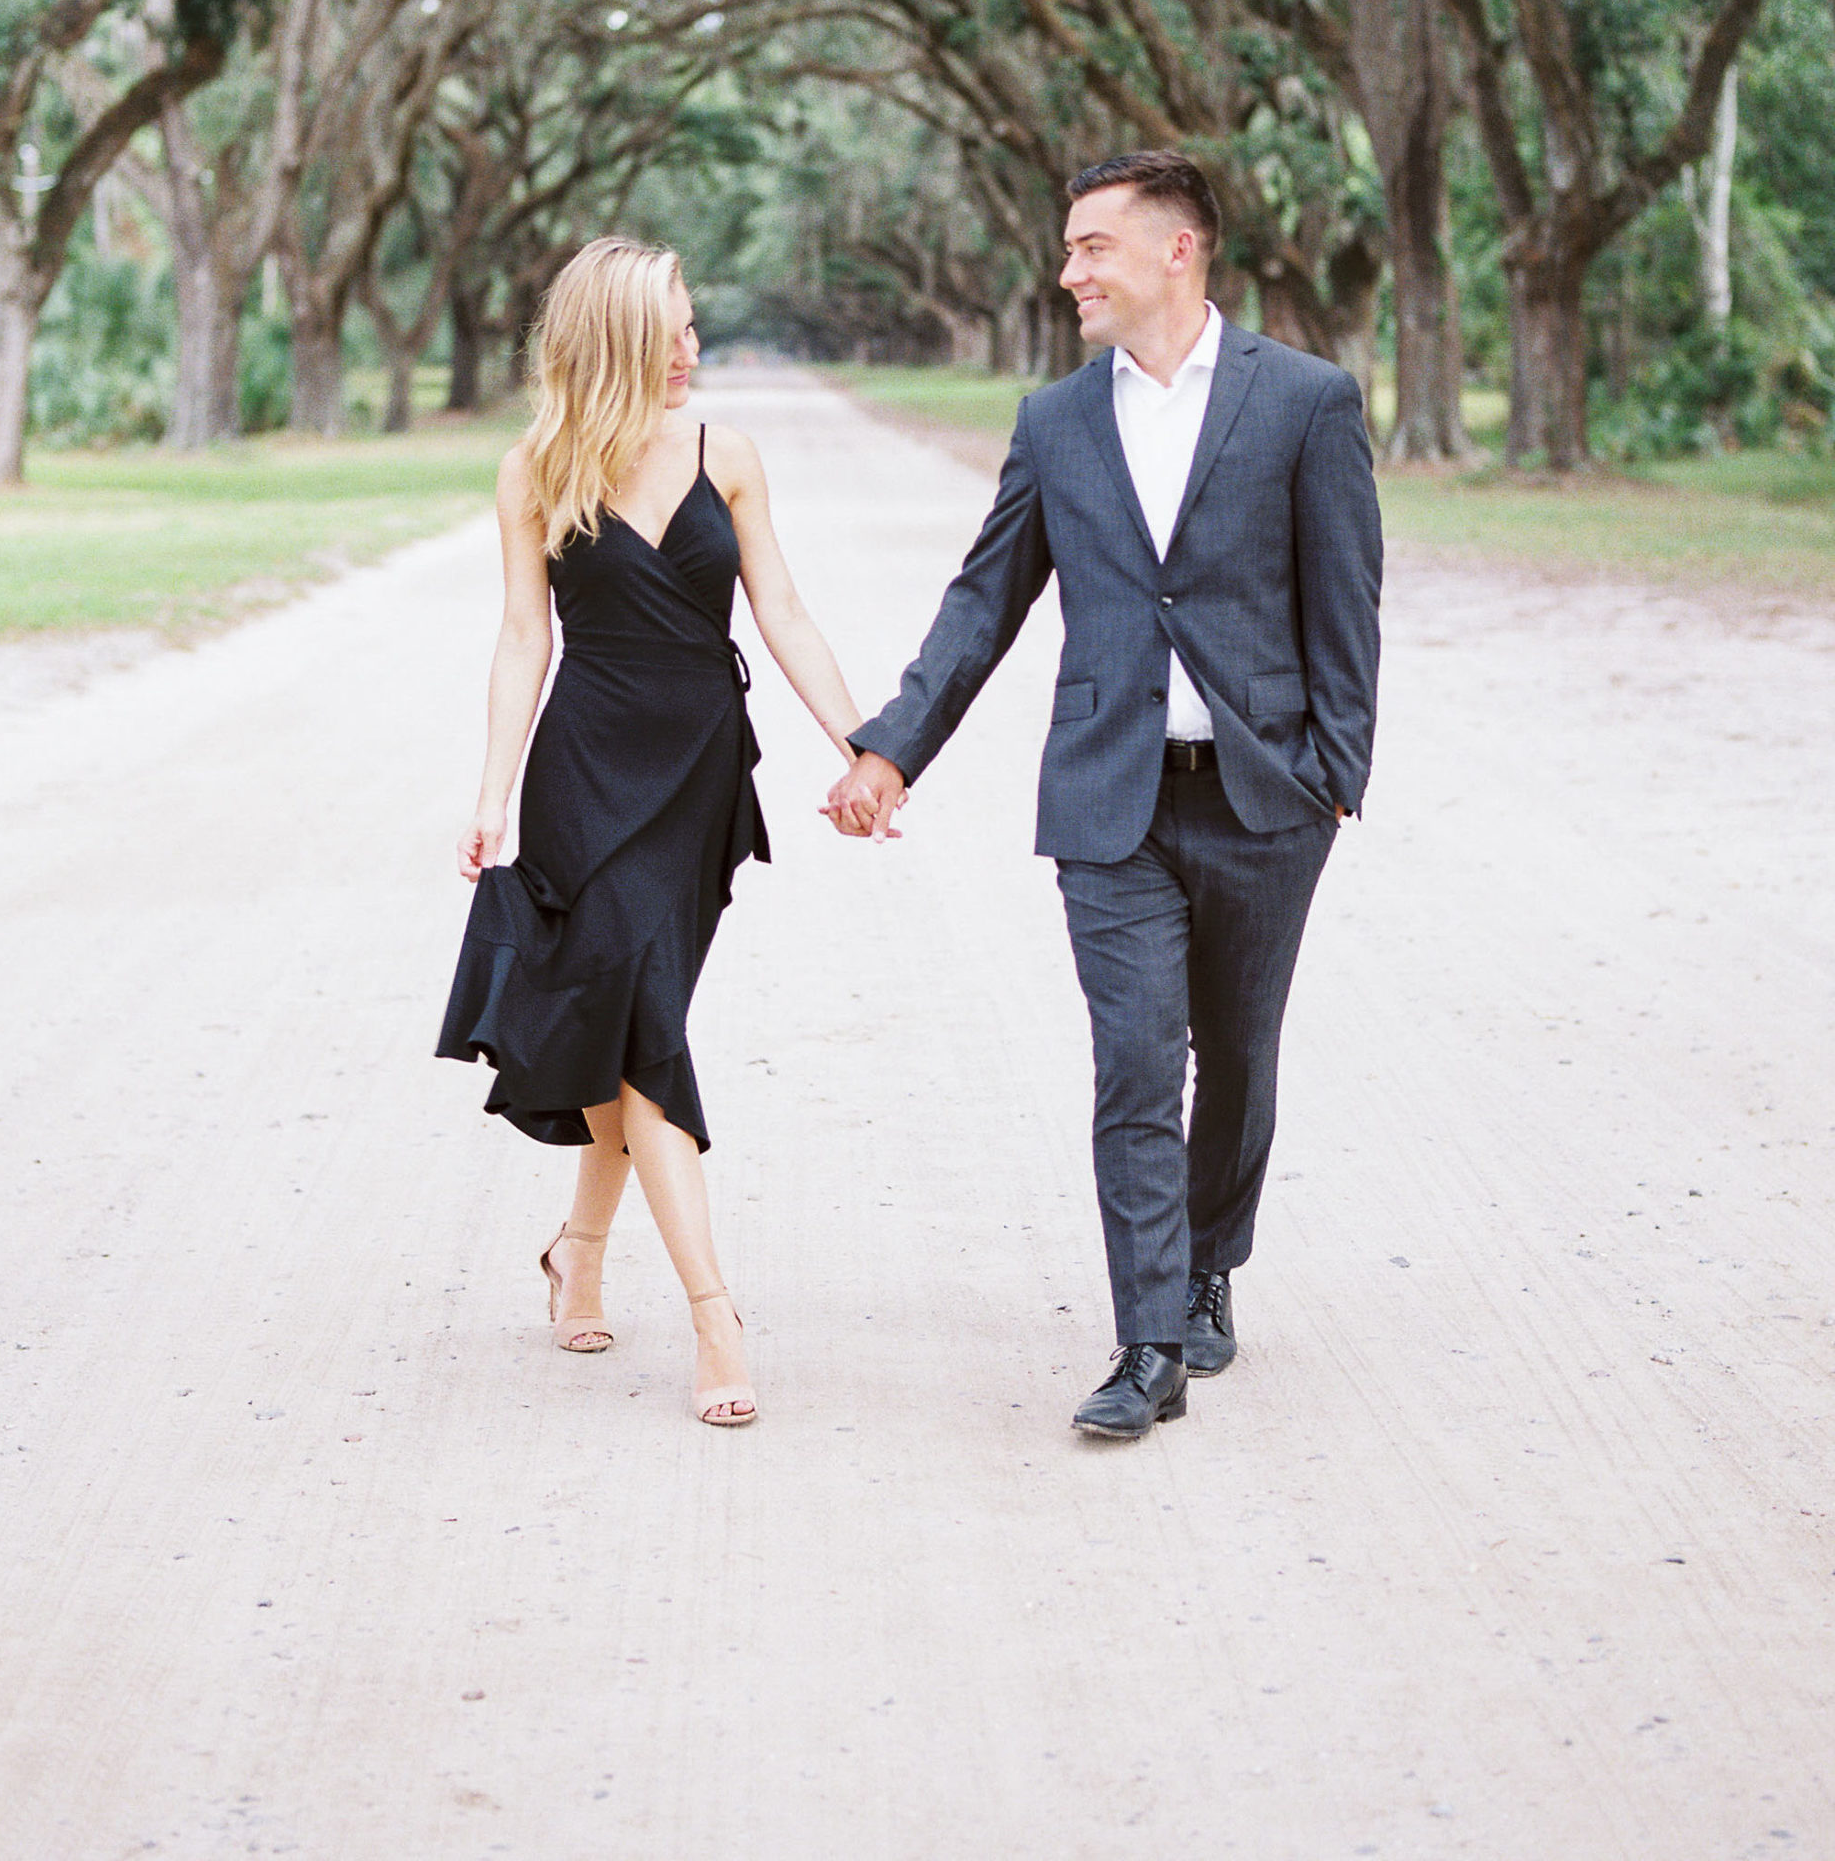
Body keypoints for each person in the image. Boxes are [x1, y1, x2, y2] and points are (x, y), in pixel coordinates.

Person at [826, 151, 1382, 1441]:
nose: (1068, 270)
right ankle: (1146, 1343)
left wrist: (1335, 776)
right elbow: (984, 603)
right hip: (1108, 803)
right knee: (1136, 1064)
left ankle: (1206, 1265)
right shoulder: (1054, 422)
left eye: (1091, 247)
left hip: (1263, 797)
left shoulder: (1304, 400)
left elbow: (1345, 597)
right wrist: (889, 748)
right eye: (1068, 248)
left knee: (1236, 1058)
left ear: (1176, 250)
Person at [440, 237, 863, 1427]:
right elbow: (525, 636)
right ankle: (714, 1316)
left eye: (692, 324)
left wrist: (859, 744)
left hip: (697, 776)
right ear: (612, 338)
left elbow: (778, 604)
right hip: (587, 774)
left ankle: (577, 1249)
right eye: (669, 329)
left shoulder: (727, 454)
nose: (691, 349)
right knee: (645, 1036)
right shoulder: (535, 467)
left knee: (638, 1024)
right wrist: (492, 792)